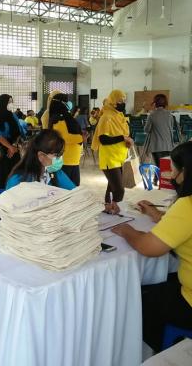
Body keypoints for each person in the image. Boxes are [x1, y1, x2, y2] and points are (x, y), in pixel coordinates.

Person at [112, 141, 192, 352]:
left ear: (185, 172)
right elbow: (180, 226)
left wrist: (127, 230)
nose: (171, 175)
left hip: (190, 302)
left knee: (134, 300)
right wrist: (155, 214)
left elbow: (149, 247)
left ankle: (156, 352)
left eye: (173, 169)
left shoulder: (187, 205)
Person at [92, 90, 133, 215]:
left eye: (124, 100)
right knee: (119, 189)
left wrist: (126, 140)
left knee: (112, 185)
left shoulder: (119, 116)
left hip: (120, 157)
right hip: (110, 158)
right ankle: (115, 207)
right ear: (113, 101)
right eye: (120, 101)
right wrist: (122, 138)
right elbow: (103, 139)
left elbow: (124, 134)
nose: (123, 103)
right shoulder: (106, 117)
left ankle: (108, 207)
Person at [6, 129, 75, 190]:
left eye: (61, 154)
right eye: (56, 155)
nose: (60, 158)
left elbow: (73, 191)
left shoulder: (55, 173)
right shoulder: (17, 181)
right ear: (41, 156)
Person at [0, 94, 25, 189]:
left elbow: (18, 132)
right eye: (9, 102)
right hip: (1, 148)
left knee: (14, 171)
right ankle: (0, 192)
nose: (11, 104)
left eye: (11, 102)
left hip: (14, 146)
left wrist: (14, 145)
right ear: (2, 103)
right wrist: (10, 147)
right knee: (1, 172)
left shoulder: (13, 116)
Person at [49, 94, 83, 186]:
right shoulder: (58, 119)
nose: (69, 103)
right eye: (66, 101)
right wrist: (81, 137)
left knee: (74, 186)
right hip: (65, 160)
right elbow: (64, 137)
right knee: (66, 187)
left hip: (73, 160)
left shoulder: (66, 117)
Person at [144, 94, 174, 171]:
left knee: (159, 167)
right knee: (165, 168)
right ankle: (158, 177)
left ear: (155, 103)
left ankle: (157, 177)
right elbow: (171, 128)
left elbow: (146, 130)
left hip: (156, 146)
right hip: (168, 145)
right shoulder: (170, 115)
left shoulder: (152, 115)